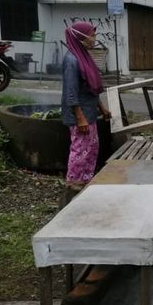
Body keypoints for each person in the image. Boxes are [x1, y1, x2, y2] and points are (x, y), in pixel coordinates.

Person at [60, 21, 111, 205]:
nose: (93, 38)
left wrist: (102, 108)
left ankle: (86, 180)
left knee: (91, 149)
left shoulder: (84, 57)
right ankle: (73, 186)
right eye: (91, 35)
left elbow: (90, 88)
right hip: (79, 116)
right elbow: (71, 92)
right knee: (80, 150)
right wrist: (80, 118)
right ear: (80, 38)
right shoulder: (72, 60)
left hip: (89, 114)